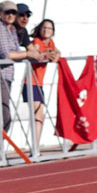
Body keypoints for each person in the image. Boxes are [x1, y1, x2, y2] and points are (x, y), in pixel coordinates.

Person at [0, 1, 41, 162]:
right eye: (8, 12)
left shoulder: (12, 30)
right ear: (0, 13)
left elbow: (21, 50)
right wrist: (28, 55)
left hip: (6, 75)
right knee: (2, 115)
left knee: (1, 116)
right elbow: (6, 53)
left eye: (14, 13)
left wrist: (38, 53)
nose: (11, 15)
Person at [27, 18, 60, 146]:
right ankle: (35, 148)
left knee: (40, 115)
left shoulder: (50, 43)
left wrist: (53, 55)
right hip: (31, 82)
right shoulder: (37, 41)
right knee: (38, 114)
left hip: (39, 83)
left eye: (49, 28)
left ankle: (35, 146)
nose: (46, 30)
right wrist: (45, 54)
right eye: (44, 28)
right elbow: (35, 53)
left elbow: (57, 54)